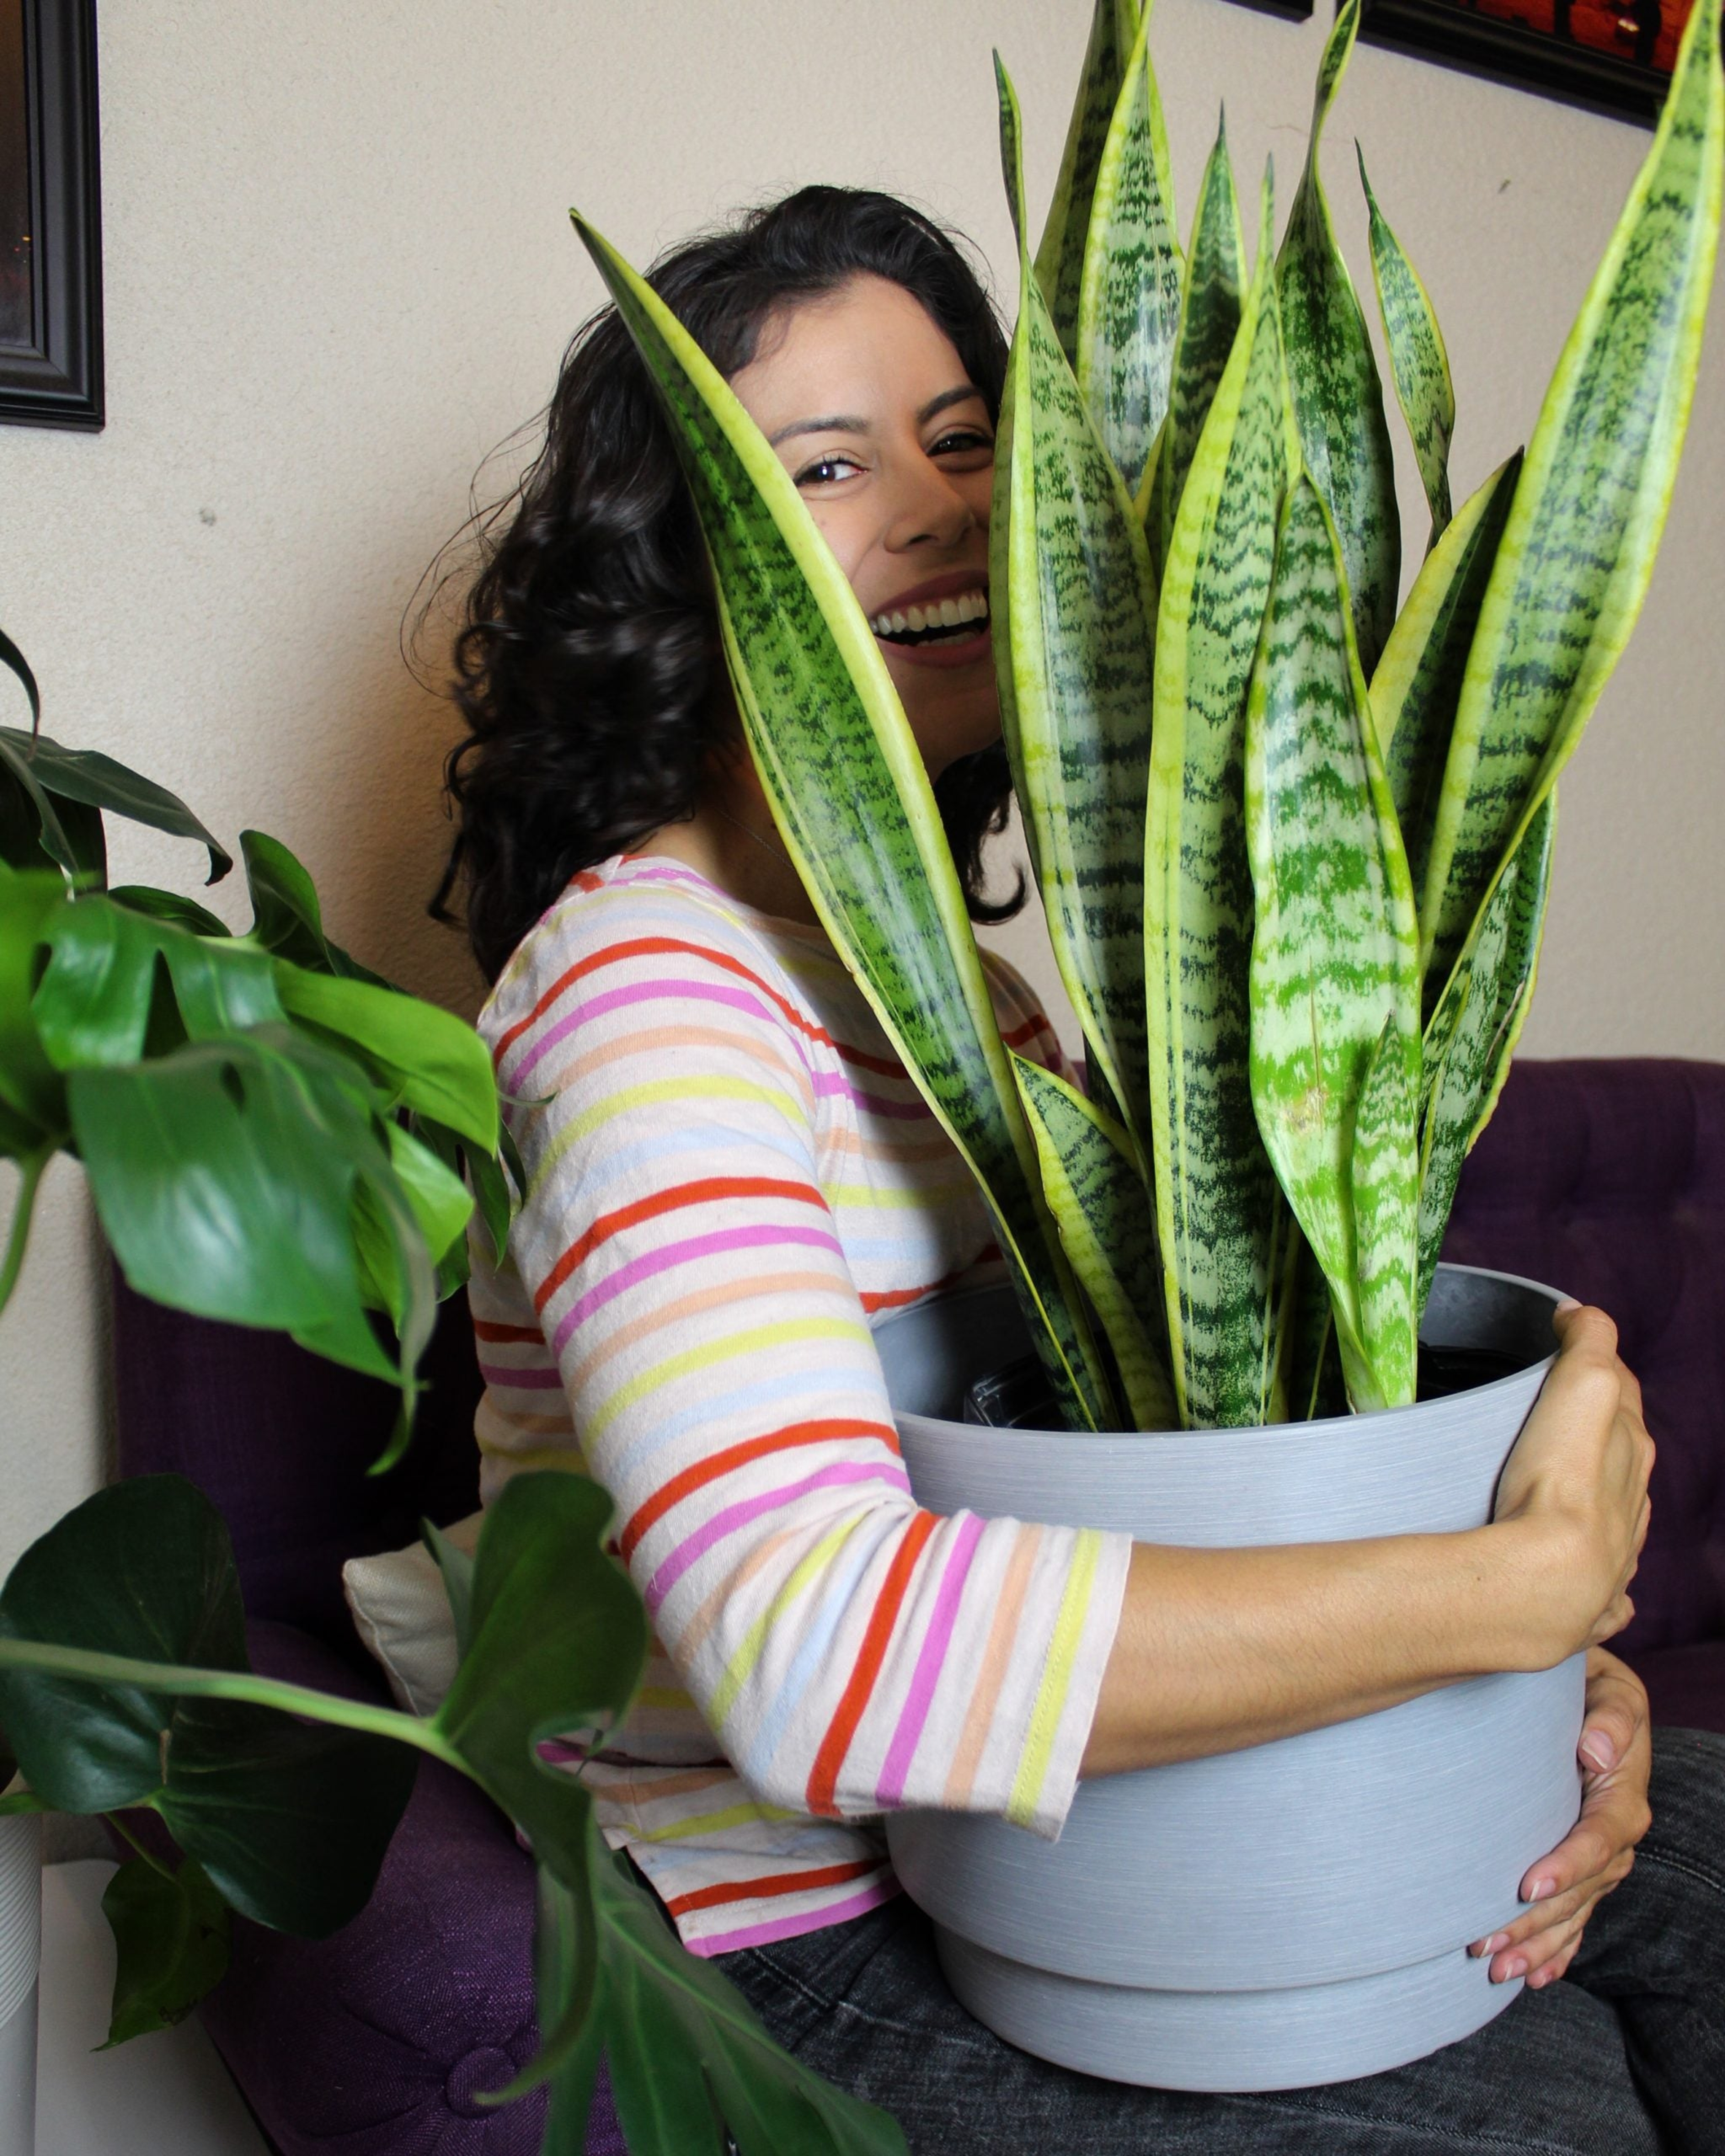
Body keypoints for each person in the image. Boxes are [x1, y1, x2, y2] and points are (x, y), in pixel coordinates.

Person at [433, 185, 1723, 2152]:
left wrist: (1549, 1703)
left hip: (1074, 1823)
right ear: (691, 580)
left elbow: (1194, 1509)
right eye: (831, 468)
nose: (945, 510)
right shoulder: (645, 993)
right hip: (805, 1927)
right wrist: (1512, 1596)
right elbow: (817, 1663)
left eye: (971, 445)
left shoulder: (986, 1016)